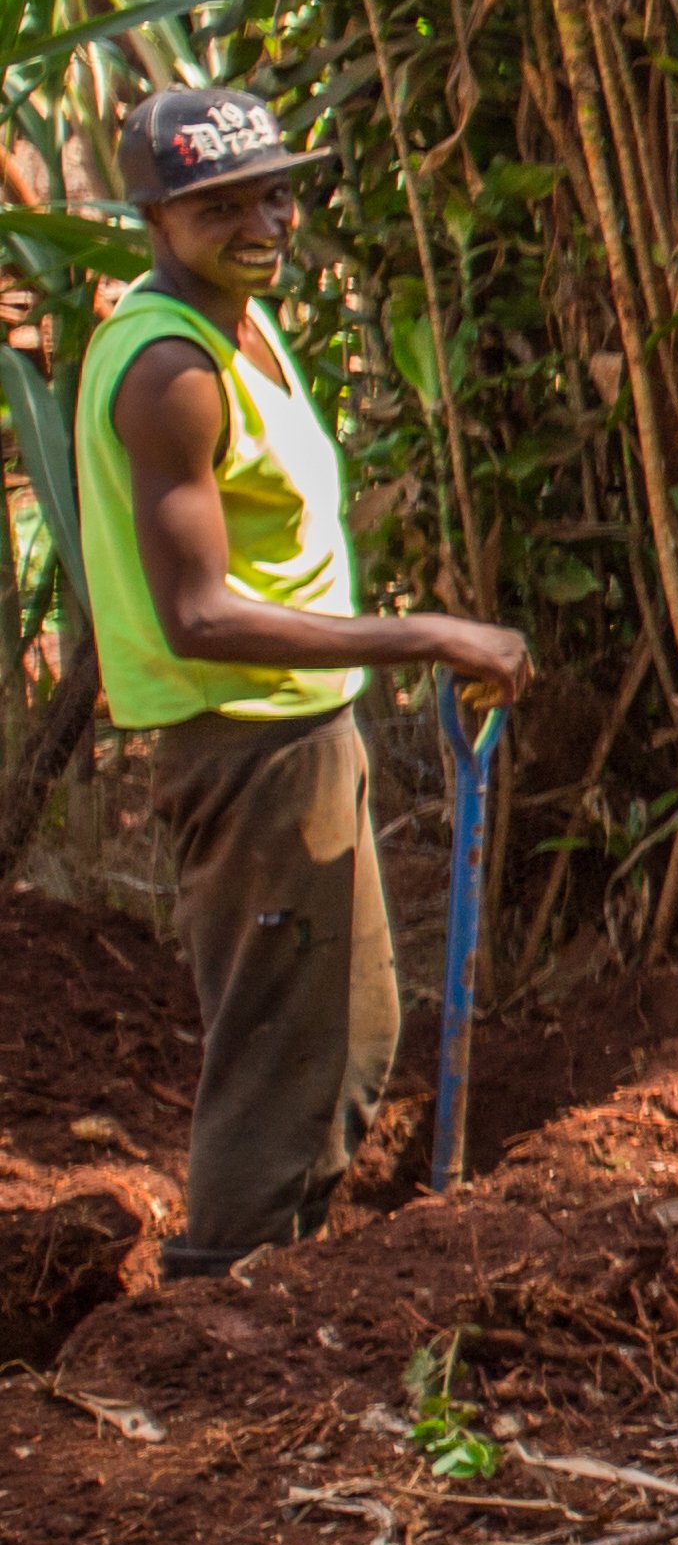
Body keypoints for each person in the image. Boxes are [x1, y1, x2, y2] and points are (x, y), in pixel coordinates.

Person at [74, 83, 529, 1276]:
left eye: (274, 193)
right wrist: (428, 634)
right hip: (249, 751)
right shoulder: (171, 365)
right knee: (281, 1053)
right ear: (155, 216)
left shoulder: (235, 323)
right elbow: (202, 613)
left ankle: (295, 1271)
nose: (264, 224)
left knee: (351, 1035)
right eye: (219, 205)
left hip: (300, 740)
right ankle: (228, 1298)